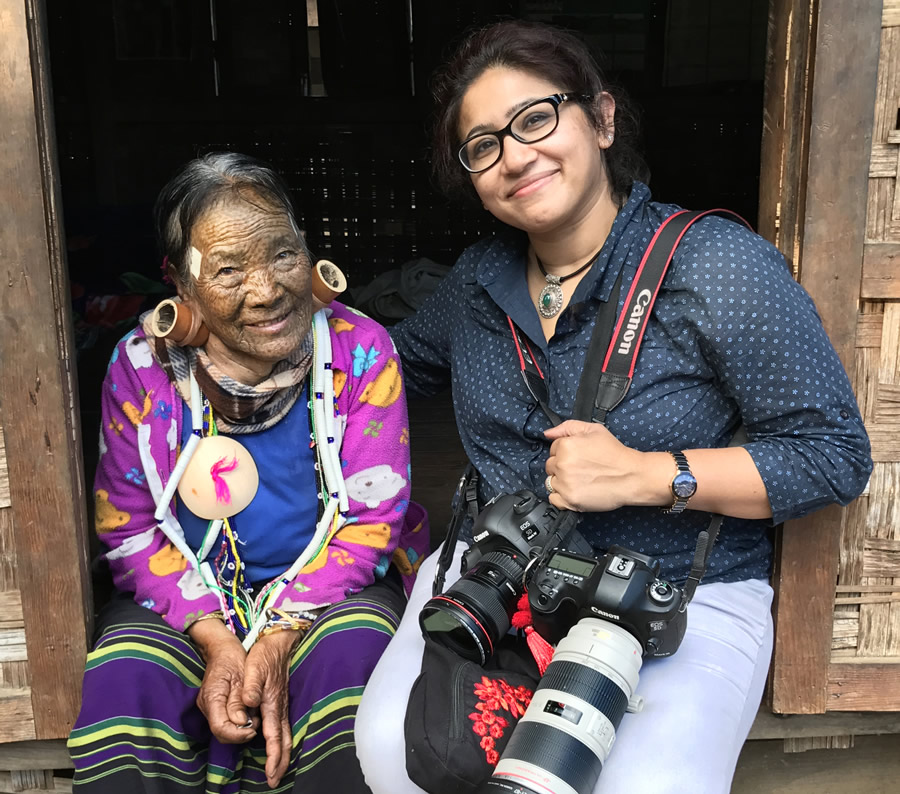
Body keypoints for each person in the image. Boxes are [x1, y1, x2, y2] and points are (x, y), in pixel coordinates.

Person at [354, 19, 872, 794]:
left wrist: (650, 475)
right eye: (484, 145)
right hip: (502, 573)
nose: (516, 155)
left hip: (678, 590)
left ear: (600, 119)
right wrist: (289, 321)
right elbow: (383, 367)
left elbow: (833, 454)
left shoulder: (714, 265)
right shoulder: (475, 282)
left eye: (536, 118)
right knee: (400, 759)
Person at [67, 152, 429, 794]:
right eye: (229, 270)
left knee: (359, 675)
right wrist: (217, 638)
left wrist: (277, 634)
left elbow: (373, 519)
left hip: (330, 592)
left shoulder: (362, 348)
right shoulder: (141, 365)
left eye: (282, 256)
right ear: (180, 282)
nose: (266, 291)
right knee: (128, 678)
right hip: (181, 594)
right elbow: (128, 527)